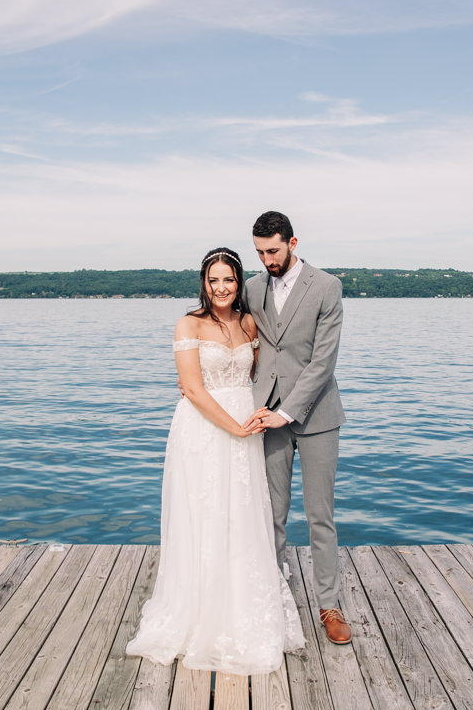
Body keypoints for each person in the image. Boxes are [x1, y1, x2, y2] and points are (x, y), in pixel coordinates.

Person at [126, 247, 304, 675]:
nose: (221, 288)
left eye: (228, 280)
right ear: (204, 283)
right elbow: (193, 388)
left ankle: (241, 604)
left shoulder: (248, 322)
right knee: (203, 512)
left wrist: (261, 415)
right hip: (205, 430)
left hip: (244, 424)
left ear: (238, 282)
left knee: (241, 514)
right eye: (213, 280)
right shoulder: (189, 323)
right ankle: (198, 611)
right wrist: (234, 426)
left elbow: (264, 373)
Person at [245, 211, 352, 645]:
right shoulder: (252, 288)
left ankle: (328, 604)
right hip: (265, 416)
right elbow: (231, 333)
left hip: (316, 417)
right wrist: (192, 373)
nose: (267, 259)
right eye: (259, 252)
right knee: (271, 514)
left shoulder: (327, 287)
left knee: (319, 516)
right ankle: (272, 596)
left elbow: (323, 362)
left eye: (272, 250)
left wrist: (286, 412)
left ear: (292, 242)